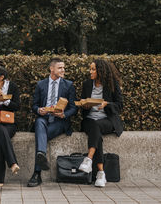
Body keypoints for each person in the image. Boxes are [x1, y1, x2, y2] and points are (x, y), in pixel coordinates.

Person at [28, 57, 77, 187]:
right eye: (60, 68)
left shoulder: (69, 85)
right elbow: (34, 106)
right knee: (39, 122)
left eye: (63, 68)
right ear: (52, 69)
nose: (63, 70)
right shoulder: (41, 84)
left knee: (41, 137)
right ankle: (41, 156)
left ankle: (36, 174)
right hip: (44, 119)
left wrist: (64, 114)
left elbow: (74, 108)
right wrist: (39, 110)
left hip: (59, 121)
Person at [78, 59, 123, 188]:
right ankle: (101, 172)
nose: (90, 71)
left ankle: (89, 159)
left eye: (93, 69)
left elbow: (120, 105)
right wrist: (84, 105)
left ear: (100, 71)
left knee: (96, 127)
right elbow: (83, 105)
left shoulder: (112, 84)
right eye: (90, 69)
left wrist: (107, 104)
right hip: (89, 120)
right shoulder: (87, 84)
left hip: (107, 120)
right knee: (95, 129)